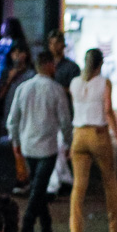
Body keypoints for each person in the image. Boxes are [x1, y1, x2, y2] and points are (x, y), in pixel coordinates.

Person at [7, 50, 73, 232]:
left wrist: (16, 142)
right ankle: (27, 225)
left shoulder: (23, 88)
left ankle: (46, 224)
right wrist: (68, 142)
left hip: (28, 145)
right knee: (38, 187)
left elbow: (13, 120)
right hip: (48, 147)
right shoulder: (56, 89)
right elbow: (65, 120)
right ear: (49, 65)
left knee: (39, 185)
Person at [69, 48, 117, 232]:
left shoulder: (74, 83)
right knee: (110, 182)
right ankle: (116, 229)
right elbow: (108, 111)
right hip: (98, 134)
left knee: (79, 186)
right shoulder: (104, 83)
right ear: (100, 64)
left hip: (78, 135)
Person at [46, 29, 81, 199]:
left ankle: (55, 184)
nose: (55, 46)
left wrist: (59, 90)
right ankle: (65, 179)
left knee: (60, 147)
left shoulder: (71, 67)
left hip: (65, 111)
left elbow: (76, 89)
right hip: (49, 112)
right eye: (52, 43)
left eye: (58, 43)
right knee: (58, 147)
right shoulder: (47, 65)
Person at [0, 41, 35, 196]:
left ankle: (26, 180)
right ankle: (22, 179)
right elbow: (0, 95)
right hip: (12, 116)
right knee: (16, 149)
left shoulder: (31, 74)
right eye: (14, 53)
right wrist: (9, 79)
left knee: (27, 150)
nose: (17, 56)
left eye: (20, 52)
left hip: (28, 117)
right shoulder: (7, 72)